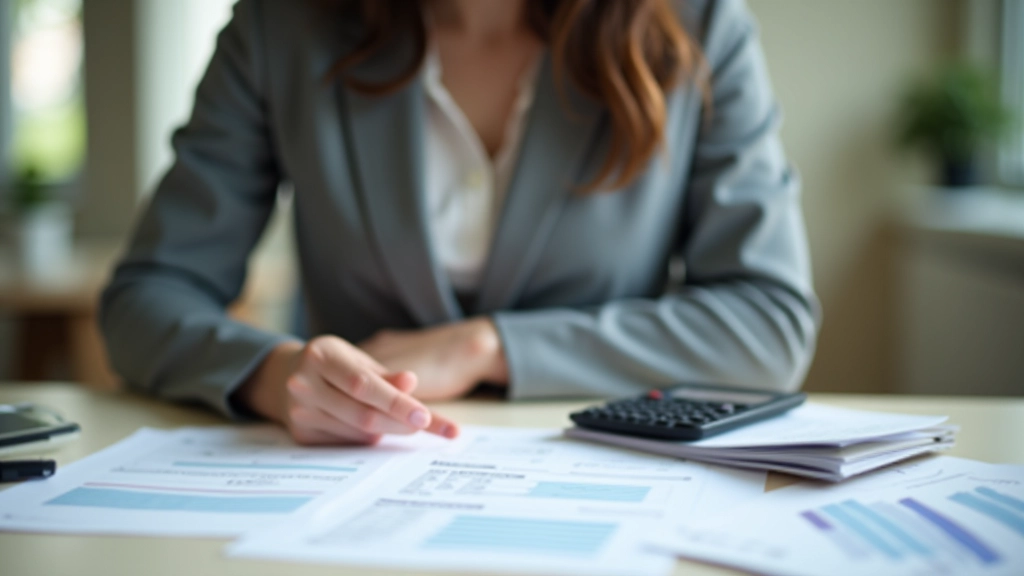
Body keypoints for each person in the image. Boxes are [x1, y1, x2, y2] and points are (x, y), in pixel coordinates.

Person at [100, 0, 819, 446]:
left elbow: (769, 322)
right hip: (349, 496)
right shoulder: (280, 24)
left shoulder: (697, 24)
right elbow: (146, 298)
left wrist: (486, 346)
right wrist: (276, 375)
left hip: (604, 496)